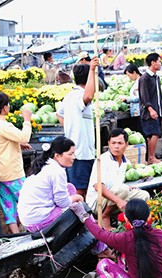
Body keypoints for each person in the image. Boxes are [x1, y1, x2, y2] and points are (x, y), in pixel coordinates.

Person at [70, 198, 162, 278]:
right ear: (149, 216)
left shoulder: (125, 238)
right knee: (121, 255)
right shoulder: (160, 234)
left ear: (126, 218)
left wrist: (83, 215)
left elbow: (99, 234)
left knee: (103, 264)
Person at [0, 92, 33, 234]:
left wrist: (18, 144)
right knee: (27, 202)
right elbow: (25, 137)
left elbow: (1, 143)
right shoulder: (3, 125)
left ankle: (16, 236)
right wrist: (27, 120)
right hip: (12, 174)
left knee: (8, 206)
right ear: (5, 107)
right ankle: (36, 229)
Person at [85, 128, 150, 230]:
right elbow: (98, 186)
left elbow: (116, 184)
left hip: (112, 197)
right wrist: (119, 200)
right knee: (123, 189)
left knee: (143, 195)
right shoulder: (102, 159)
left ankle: (133, 222)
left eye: (120, 143)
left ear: (126, 144)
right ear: (108, 144)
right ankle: (104, 216)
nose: (116, 146)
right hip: (97, 203)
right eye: (113, 143)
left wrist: (129, 188)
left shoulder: (124, 162)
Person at [18, 136, 84, 232]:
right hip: (38, 221)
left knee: (70, 188)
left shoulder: (45, 164)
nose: (73, 157)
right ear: (57, 155)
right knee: (78, 209)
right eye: (70, 154)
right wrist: (78, 198)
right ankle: (100, 245)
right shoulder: (57, 171)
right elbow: (63, 203)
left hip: (28, 218)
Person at [56, 57, 99, 199]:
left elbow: (59, 114)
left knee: (80, 188)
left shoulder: (69, 96)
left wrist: (70, 126)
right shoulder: (79, 95)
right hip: (82, 152)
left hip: (78, 150)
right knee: (81, 191)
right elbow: (88, 96)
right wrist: (92, 70)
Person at [138, 52, 162, 165]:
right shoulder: (145, 78)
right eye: (159, 61)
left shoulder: (156, 77)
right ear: (153, 62)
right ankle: (151, 157)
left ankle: (151, 156)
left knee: (155, 134)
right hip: (150, 112)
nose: (160, 64)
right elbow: (144, 96)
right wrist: (150, 109)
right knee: (153, 133)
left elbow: (159, 95)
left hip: (157, 109)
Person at [121, 63, 142, 131]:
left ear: (134, 72)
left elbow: (139, 97)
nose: (129, 77)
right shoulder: (136, 82)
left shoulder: (140, 82)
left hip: (139, 111)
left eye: (129, 75)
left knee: (140, 130)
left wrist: (127, 99)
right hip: (136, 112)